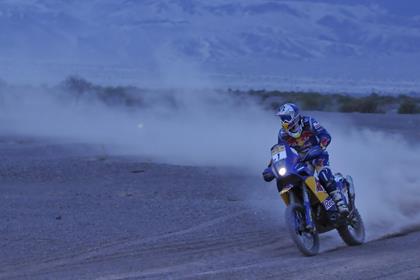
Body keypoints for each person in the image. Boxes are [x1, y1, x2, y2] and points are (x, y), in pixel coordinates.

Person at [262, 103, 349, 214]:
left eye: (286, 118)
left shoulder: (309, 122)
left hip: (317, 154)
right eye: (282, 119)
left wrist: (321, 146)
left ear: (295, 116)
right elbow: (280, 151)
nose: (284, 122)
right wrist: (270, 168)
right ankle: (309, 207)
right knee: (295, 178)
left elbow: (325, 135)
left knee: (323, 176)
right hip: (301, 159)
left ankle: (339, 202)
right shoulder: (282, 134)